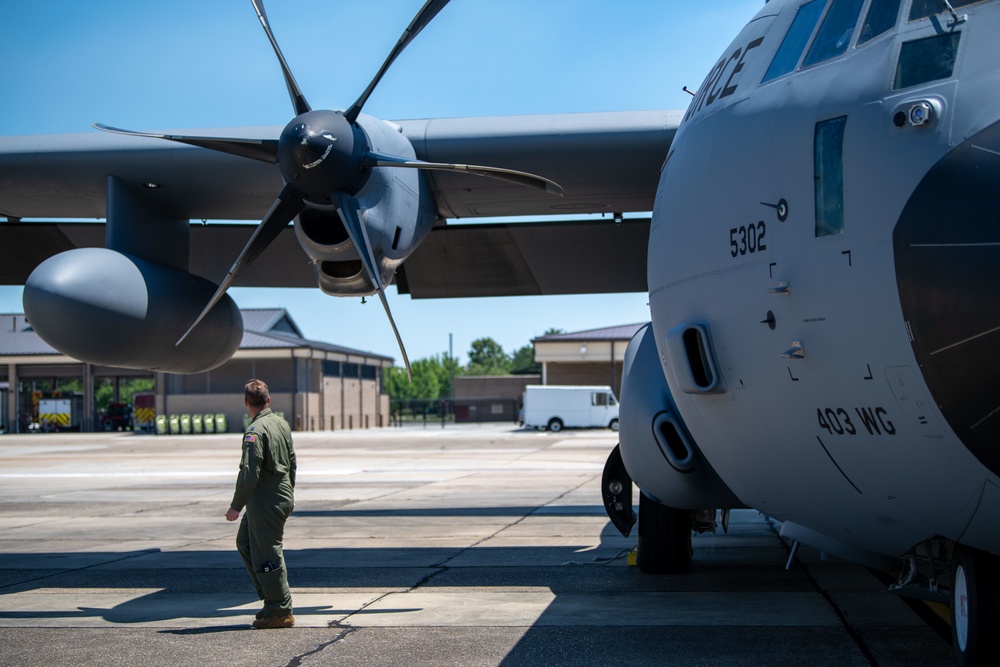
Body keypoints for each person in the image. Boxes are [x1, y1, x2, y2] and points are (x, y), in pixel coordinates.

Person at [225, 379, 297, 629]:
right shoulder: (281, 424)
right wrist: (288, 492)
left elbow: (249, 472)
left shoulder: (255, 431)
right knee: (244, 543)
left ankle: (280, 610)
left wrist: (236, 506)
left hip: (265, 500)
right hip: (277, 496)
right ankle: (271, 600)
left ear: (246, 403)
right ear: (268, 400)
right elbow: (293, 463)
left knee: (267, 553)